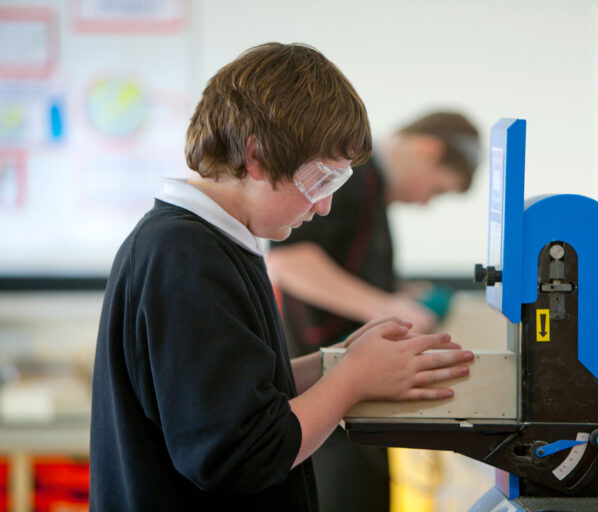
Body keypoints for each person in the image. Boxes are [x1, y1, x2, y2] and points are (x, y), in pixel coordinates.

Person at [89, 42, 474, 511]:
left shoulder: (218, 242)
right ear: (257, 156)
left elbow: (230, 393)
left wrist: (333, 362)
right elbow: (242, 453)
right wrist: (350, 380)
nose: (325, 205)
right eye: (320, 181)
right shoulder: (184, 253)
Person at [266, 112, 480, 512]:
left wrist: (397, 292)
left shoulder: (372, 193)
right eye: (436, 189)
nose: (425, 202)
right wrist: (386, 306)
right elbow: (288, 261)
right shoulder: (348, 179)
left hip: (353, 402)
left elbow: (344, 266)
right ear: (426, 149)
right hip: (324, 404)